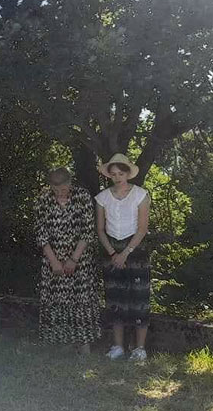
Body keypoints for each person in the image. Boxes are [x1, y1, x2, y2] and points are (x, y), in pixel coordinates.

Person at [35, 167, 100, 354]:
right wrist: (54, 261)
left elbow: (88, 231)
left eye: (63, 189)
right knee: (58, 300)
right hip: (53, 259)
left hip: (80, 259)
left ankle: (84, 344)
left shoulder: (82, 197)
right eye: (55, 189)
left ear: (70, 183)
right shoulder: (43, 199)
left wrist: (73, 259)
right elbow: (40, 233)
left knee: (81, 300)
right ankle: (62, 342)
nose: (59, 193)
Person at [94, 153, 152, 362]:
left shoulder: (141, 195)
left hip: (136, 250)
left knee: (139, 298)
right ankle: (118, 346)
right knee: (115, 298)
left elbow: (142, 228)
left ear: (127, 173)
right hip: (111, 249)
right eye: (113, 174)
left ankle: (140, 348)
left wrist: (125, 253)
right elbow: (100, 229)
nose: (117, 177)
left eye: (121, 173)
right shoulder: (102, 198)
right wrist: (113, 253)